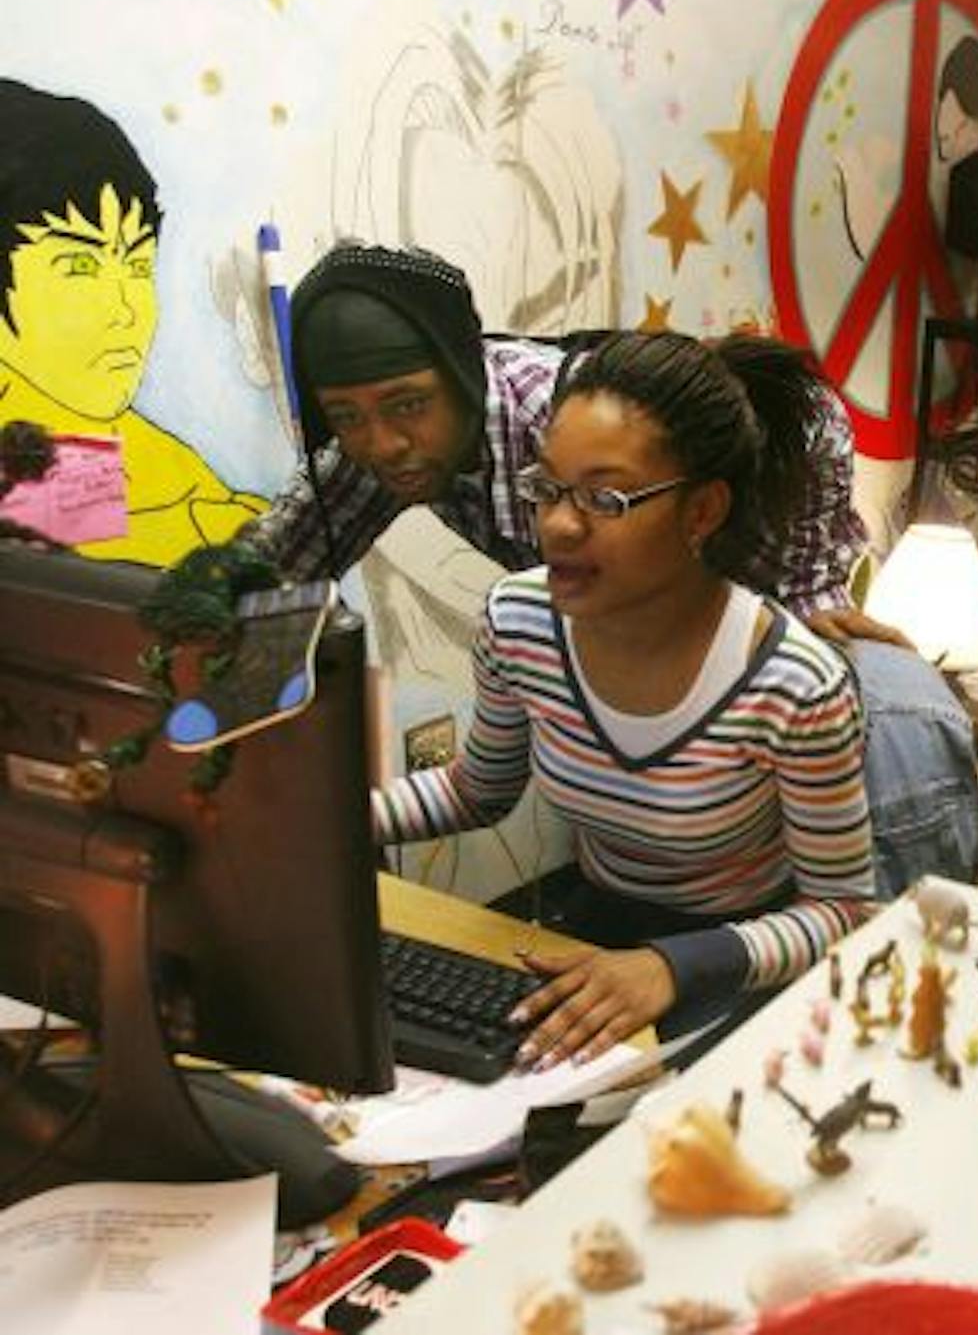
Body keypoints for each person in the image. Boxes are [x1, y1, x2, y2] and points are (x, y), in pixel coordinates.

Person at [239, 242, 978, 892]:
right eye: (349, 417)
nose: (380, 443)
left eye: (599, 498)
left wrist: (806, 586)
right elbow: (263, 578)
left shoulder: (563, 418)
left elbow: (815, 414)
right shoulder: (501, 596)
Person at [373, 332, 877, 1064]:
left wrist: (674, 967)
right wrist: (335, 821)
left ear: (702, 512)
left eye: (603, 499)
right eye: (547, 489)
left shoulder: (793, 685)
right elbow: (477, 791)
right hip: (596, 937)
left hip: (742, 961)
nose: (558, 525)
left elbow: (843, 910)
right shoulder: (518, 623)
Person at [0, 79, 264, 565]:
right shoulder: (33, 456)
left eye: (139, 266)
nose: (128, 308)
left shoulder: (126, 443)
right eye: (80, 266)